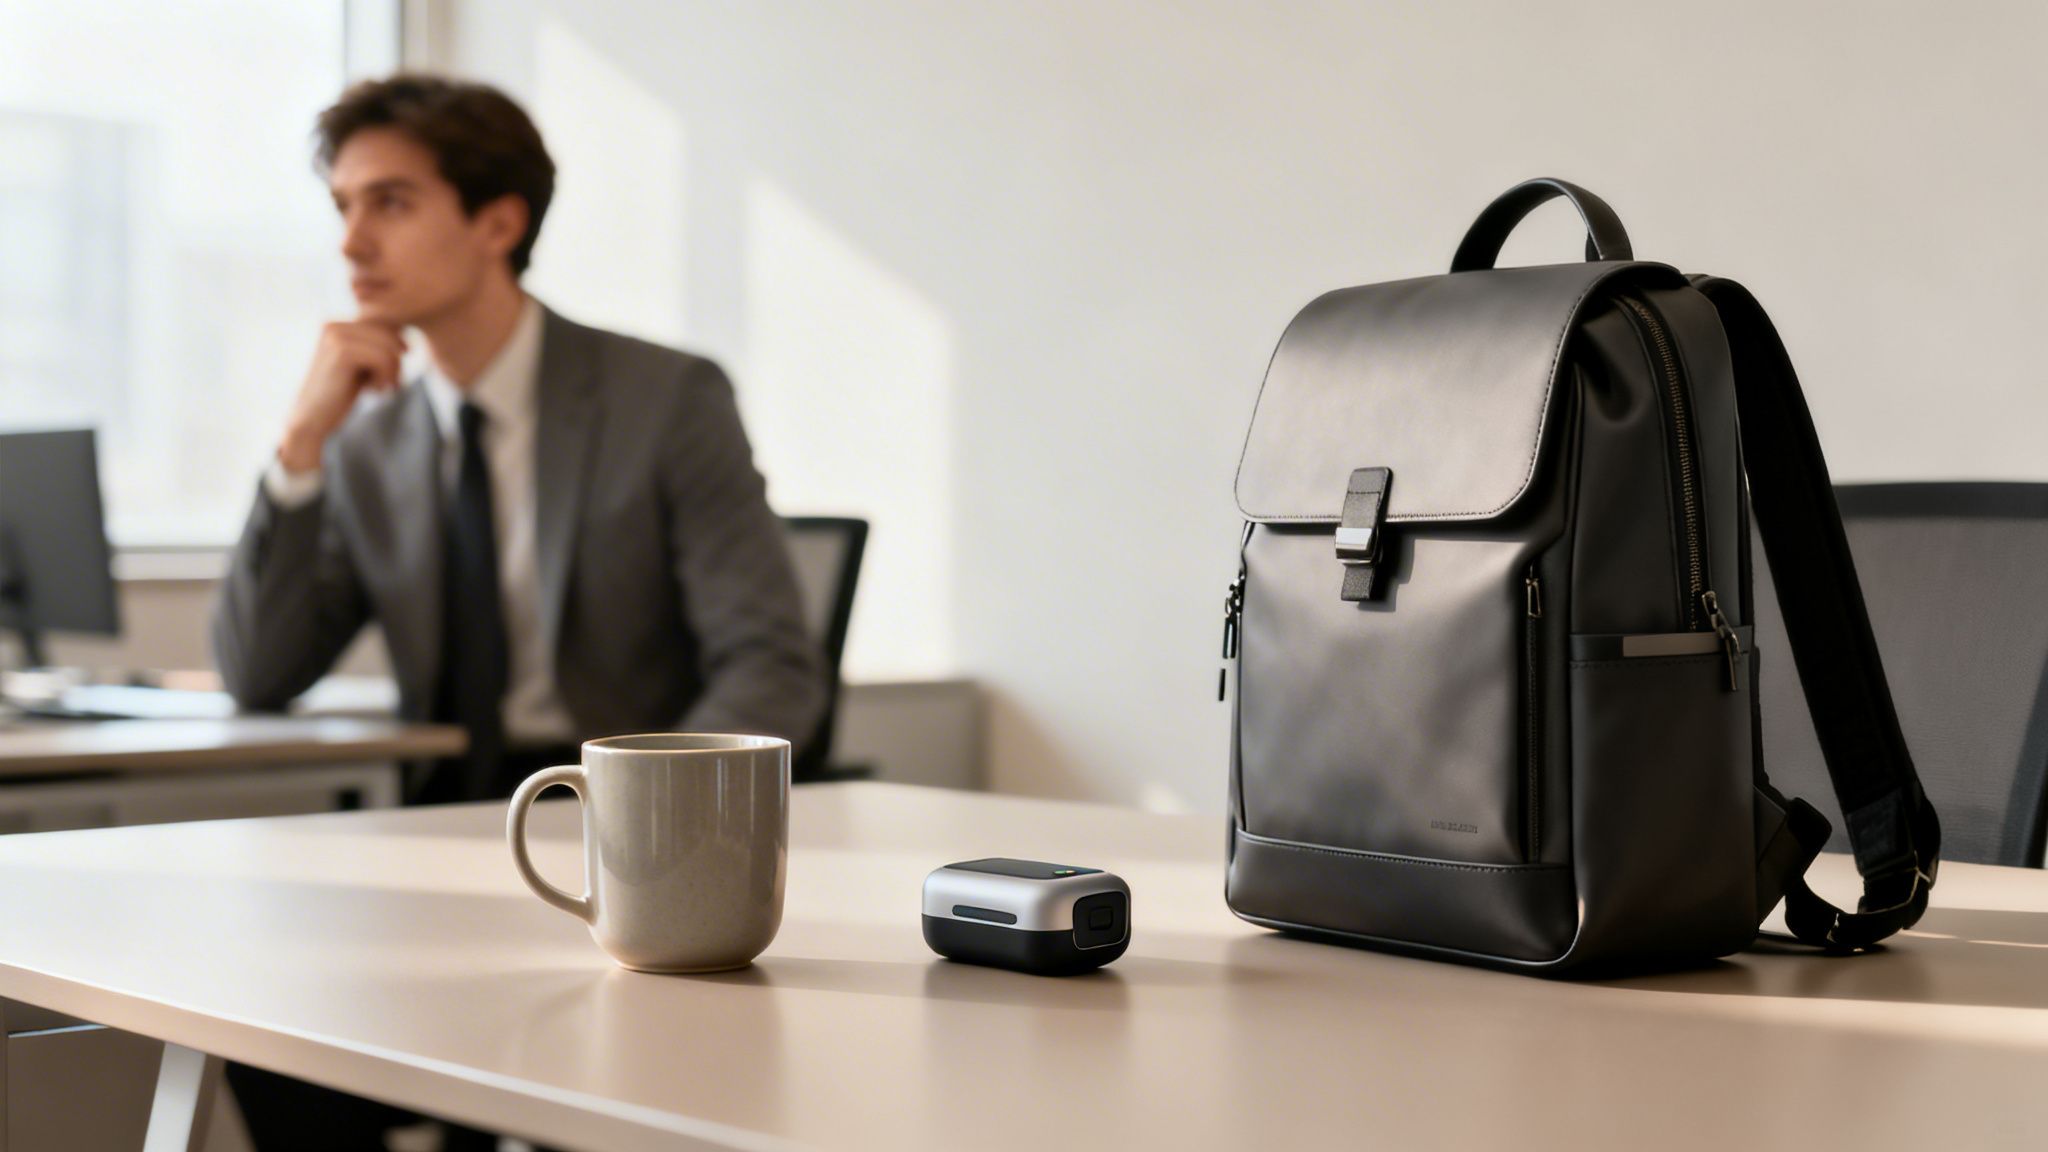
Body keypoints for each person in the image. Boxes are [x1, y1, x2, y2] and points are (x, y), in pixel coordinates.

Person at [212, 74, 824, 1151]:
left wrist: (652, 839)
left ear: (498, 222)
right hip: (442, 835)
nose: (352, 241)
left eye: (391, 201)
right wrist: (299, 448)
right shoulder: (368, 438)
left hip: (619, 818)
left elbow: (769, 662)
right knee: (263, 1036)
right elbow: (261, 669)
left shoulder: (664, 399)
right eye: (343, 206)